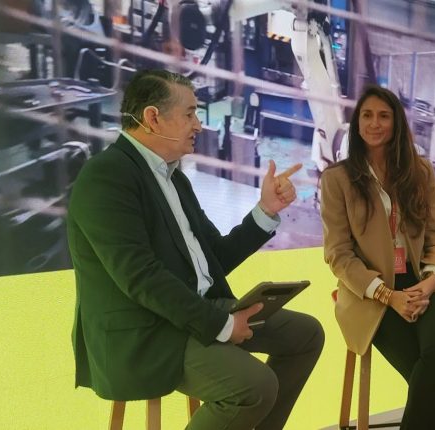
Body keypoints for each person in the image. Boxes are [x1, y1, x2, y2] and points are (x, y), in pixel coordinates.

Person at [67, 70, 324, 430]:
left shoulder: (174, 178)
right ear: (153, 118)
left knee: (306, 335)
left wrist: (266, 211)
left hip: (189, 312)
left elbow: (214, 257)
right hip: (147, 331)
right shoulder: (106, 176)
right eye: (189, 114)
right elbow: (140, 277)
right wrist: (221, 325)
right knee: (255, 386)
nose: (198, 125)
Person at [320, 85, 435, 429]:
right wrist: (388, 295)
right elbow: (338, 254)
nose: (375, 123)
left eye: (384, 116)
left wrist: (430, 282)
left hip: (421, 282)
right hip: (369, 292)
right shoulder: (337, 179)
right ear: (356, 123)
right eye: (367, 115)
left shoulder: (420, 172)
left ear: (396, 123)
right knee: (425, 374)